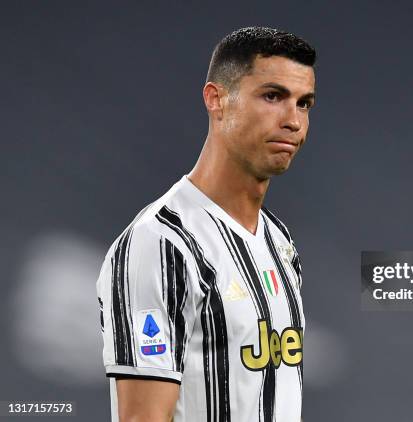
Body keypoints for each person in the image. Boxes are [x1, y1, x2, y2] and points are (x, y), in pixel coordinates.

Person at [96, 26, 315, 422]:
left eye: (304, 104)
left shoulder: (279, 241)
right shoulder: (161, 244)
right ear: (216, 100)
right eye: (273, 96)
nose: (293, 121)